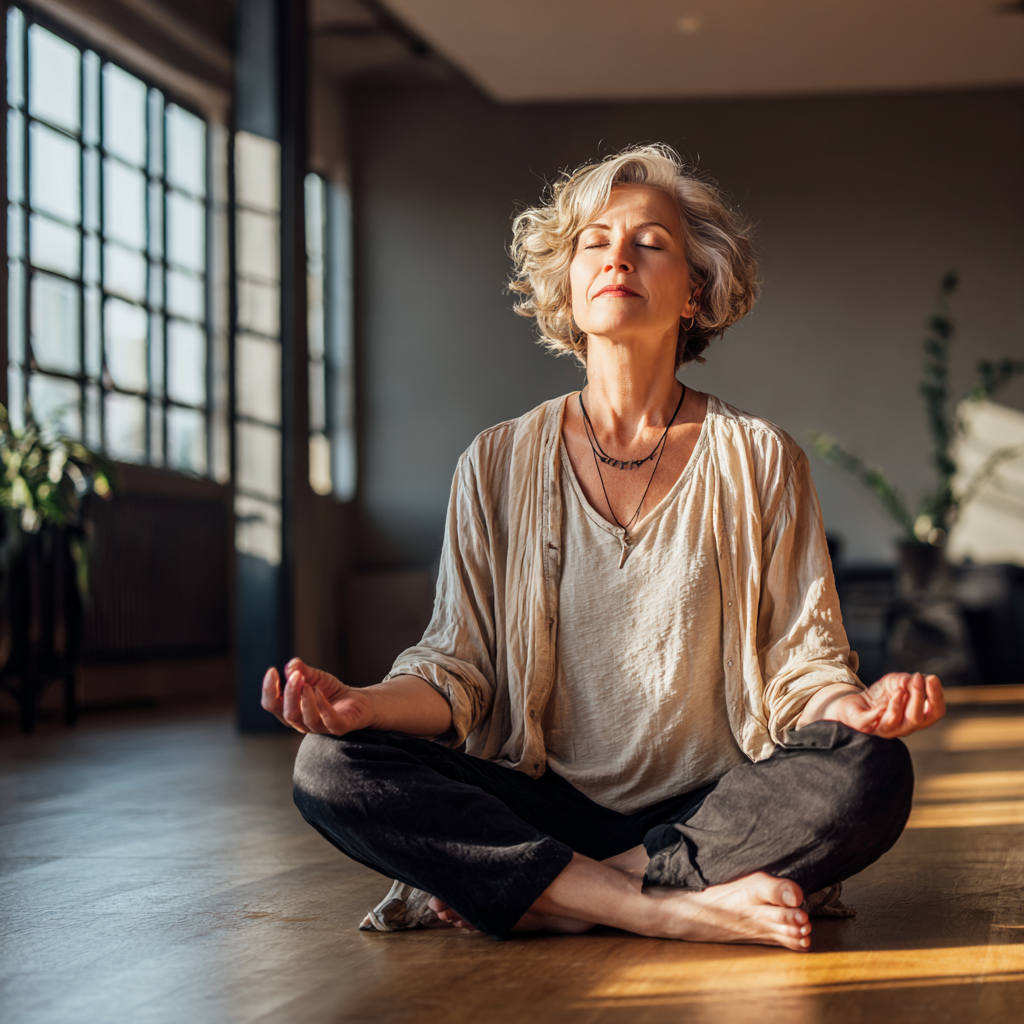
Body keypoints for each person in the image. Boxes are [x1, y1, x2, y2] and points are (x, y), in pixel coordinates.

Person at [262, 144, 945, 952]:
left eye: (650, 242)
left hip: (709, 803)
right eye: (594, 240)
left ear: (694, 291)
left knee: (871, 773)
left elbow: (804, 666)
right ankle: (659, 905)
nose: (618, 255)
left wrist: (854, 709)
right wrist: (362, 705)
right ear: (568, 282)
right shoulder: (496, 461)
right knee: (328, 766)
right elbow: (457, 669)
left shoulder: (760, 457)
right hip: (537, 798)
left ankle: (561, 889)